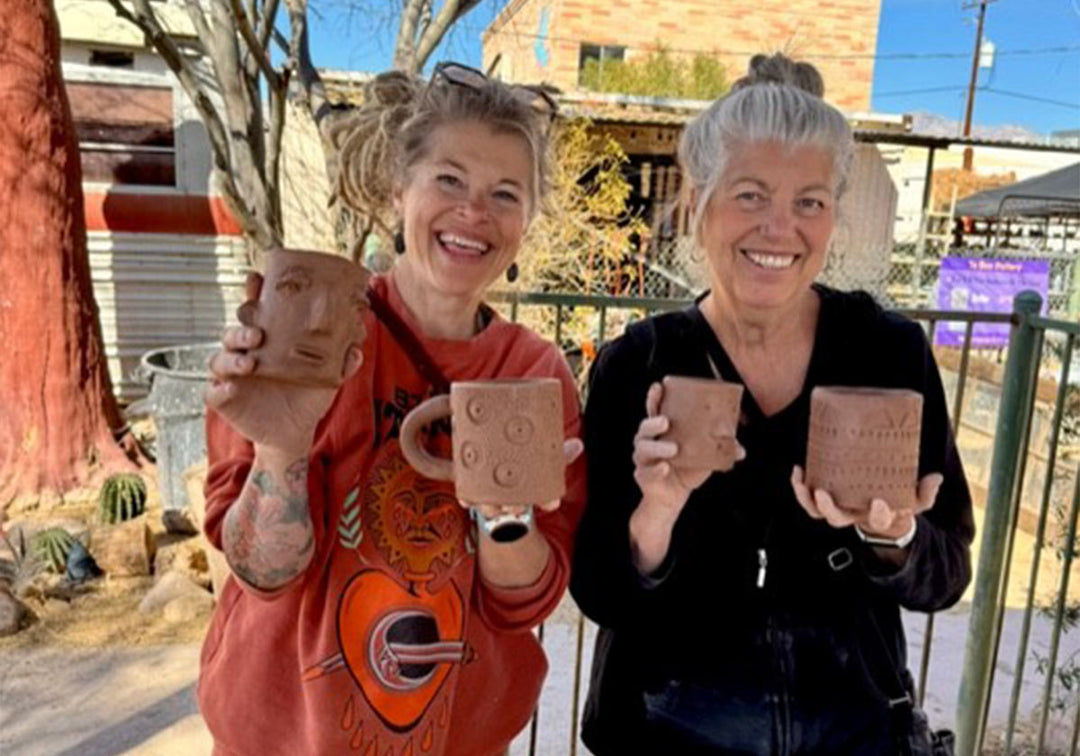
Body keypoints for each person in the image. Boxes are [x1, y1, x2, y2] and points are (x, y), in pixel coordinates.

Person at [570, 53, 974, 755]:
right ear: (698, 202)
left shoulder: (886, 353)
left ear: (834, 216)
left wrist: (894, 538)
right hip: (667, 730)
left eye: (809, 202)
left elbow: (946, 576)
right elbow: (599, 593)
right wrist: (656, 512)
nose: (780, 229)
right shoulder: (638, 364)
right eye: (750, 195)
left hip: (854, 730)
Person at [199, 63, 586, 756]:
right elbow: (263, 575)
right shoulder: (309, 335)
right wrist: (280, 452)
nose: (474, 212)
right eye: (449, 180)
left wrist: (506, 517)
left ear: (526, 220)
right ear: (399, 188)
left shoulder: (533, 373)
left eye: (505, 193)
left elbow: (522, 604)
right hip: (282, 738)